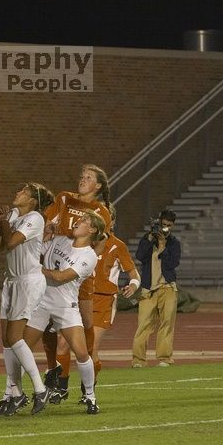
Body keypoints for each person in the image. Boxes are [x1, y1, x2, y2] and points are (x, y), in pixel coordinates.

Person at [42, 164, 113, 402]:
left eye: (89, 177)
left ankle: (89, 374)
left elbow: (100, 245)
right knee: (48, 329)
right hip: (54, 266)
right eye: (81, 176)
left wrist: (82, 258)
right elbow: (47, 222)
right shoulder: (64, 198)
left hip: (77, 276)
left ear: (98, 186)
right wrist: (48, 229)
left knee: (83, 329)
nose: (82, 179)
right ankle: (57, 379)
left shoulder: (101, 213)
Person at [28, 210, 106, 415]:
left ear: (92, 229)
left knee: (81, 352)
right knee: (22, 348)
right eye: (79, 219)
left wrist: (37, 269)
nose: (78, 221)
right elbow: (34, 252)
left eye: (84, 220)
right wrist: (45, 234)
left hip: (65, 306)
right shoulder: (60, 240)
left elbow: (61, 276)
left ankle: (90, 396)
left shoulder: (89, 255)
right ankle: (15, 392)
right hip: (42, 302)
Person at [0, 183, 54, 416]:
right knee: (6, 340)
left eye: (24, 191)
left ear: (33, 201)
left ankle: (40, 389)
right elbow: (1, 245)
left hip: (28, 281)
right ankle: (15, 393)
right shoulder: (16, 215)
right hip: (11, 280)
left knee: (14, 337)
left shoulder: (36, 218)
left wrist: (5, 223)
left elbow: (10, 242)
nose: (18, 192)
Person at [87, 208, 140, 401]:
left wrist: (132, 286)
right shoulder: (81, 243)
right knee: (66, 344)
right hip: (79, 299)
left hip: (104, 300)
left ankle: (89, 390)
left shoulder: (117, 245)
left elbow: (134, 275)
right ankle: (58, 384)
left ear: (112, 221)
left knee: (90, 347)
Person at [132, 210, 181, 368]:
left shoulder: (174, 243)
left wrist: (162, 246)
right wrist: (150, 239)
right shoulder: (148, 239)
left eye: (169, 226)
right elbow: (140, 256)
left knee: (167, 324)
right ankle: (138, 360)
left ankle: (165, 358)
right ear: (159, 223)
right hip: (148, 289)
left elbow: (171, 264)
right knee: (143, 325)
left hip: (167, 288)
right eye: (163, 224)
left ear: (172, 225)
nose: (165, 228)